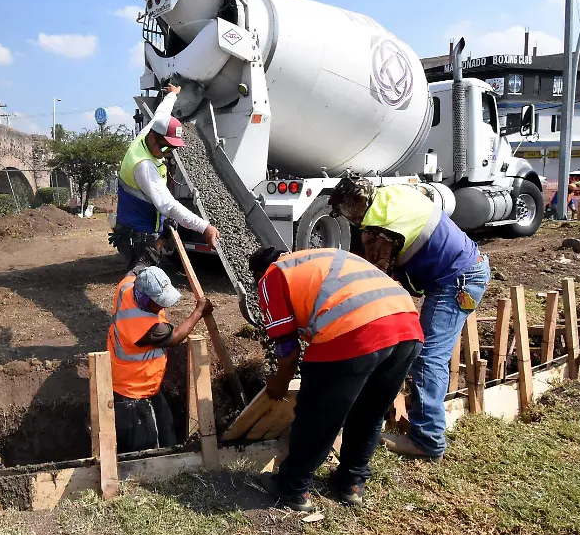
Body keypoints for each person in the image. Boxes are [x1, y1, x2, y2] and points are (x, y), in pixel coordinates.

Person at [245, 246, 423, 511]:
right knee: (370, 412)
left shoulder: (271, 276)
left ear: (259, 273)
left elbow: (287, 348)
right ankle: (351, 482)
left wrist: (280, 383)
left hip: (354, 330)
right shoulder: (320, 257)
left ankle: (292, 487)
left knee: (318, 412)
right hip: (407, 328)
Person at [328, 178, 489, 461]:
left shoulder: (380, 229)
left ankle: (427, 441)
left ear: (354, 208)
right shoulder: (392, 195)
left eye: (347, 214)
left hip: (456, 280)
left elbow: (377, 278)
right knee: (425, 353)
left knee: (428, 357)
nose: (349, 221)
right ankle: (425, 430)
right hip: (462, 270)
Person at [110, 82, 219, 270]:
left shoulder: (147, 134)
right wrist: (204, 227)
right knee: (142, 284)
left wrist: (172, 95)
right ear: (153, 137)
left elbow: (162, 113)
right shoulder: (143, 165)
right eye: (164, 146)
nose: (166, 152)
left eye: (171, 148)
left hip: (138, 229)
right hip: (137, 236)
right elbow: (167, 205)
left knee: (145, 283)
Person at [107, 261, 212, 452]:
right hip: (132, 394)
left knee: (167, 433)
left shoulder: (126, 286)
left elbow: (137, 268)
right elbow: (175, 338)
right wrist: (199, 311)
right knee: (146, 447)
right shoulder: (145, 327)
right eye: (158, 303)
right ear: (145, 298)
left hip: (148, 387)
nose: (161, 307)